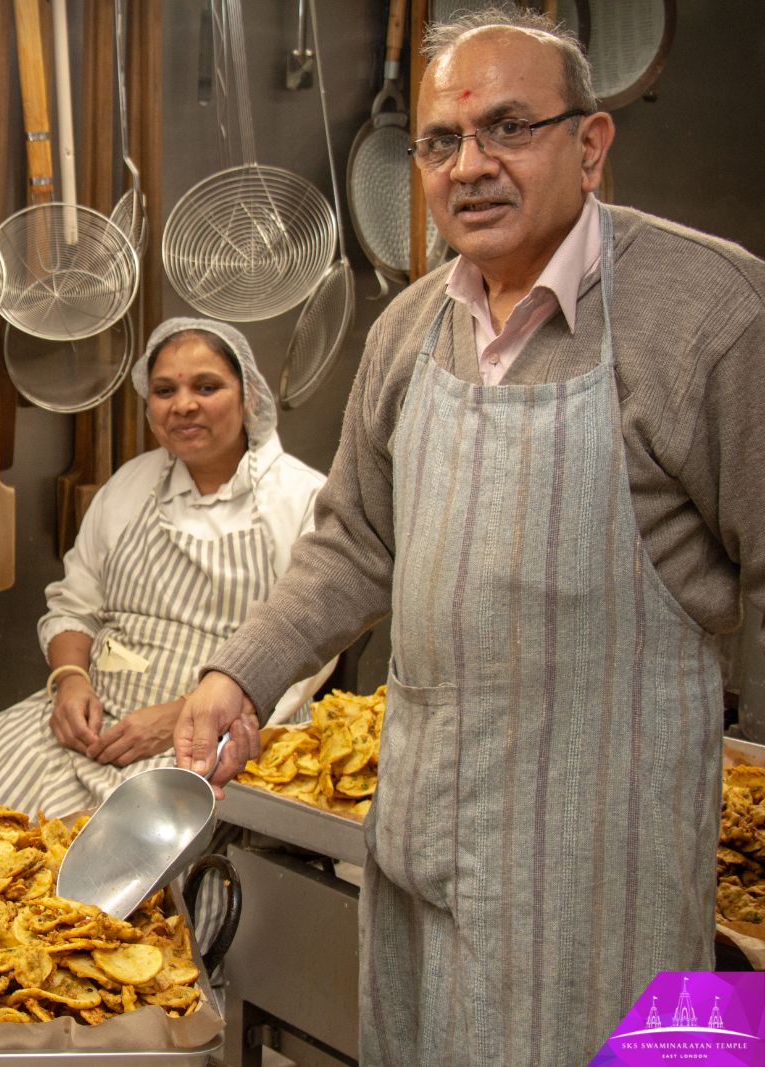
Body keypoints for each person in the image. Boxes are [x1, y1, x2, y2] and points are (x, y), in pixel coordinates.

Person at [174, 11, 764, 1066]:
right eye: (442, 141)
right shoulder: (409, 327)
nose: (470, 166)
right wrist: (242, 674)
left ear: (590, 145)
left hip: (604, 879)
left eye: (508, 128)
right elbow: (354, 538)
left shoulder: (708, 313)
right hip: (419, 854)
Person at [0, 318, 333, 816]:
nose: (183, 404)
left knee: (145, 839)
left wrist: (184, 716)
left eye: (206, 386)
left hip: (225, 734)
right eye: (164, 390)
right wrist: (69, 680)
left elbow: (306, 649)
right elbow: (76, 604)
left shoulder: (304, 498)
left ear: (249, 398)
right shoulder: (129, 485)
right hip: (102, 724)